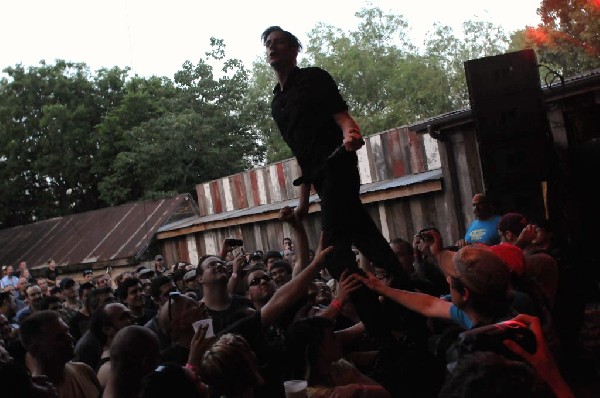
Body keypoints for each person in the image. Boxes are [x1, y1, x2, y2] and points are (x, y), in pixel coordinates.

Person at [261, 25, 420, 340]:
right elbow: (302, 155)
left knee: (334, 254)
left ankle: (382, 332)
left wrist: (351, 132)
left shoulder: (314, 78)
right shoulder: (276, 103)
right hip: (319, 177)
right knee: (370, 241)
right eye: (268, 43)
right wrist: (304, 202)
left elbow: (342, 116)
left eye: (279, 42)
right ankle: (413, 306)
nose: (272, 47)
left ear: (295, 49)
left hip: (339, 164)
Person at [20, 310, 101, 397]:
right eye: (60, 338)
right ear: (35, 349)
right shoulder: (38, 394)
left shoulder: (84, 370)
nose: (70, 338)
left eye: (68, 332)